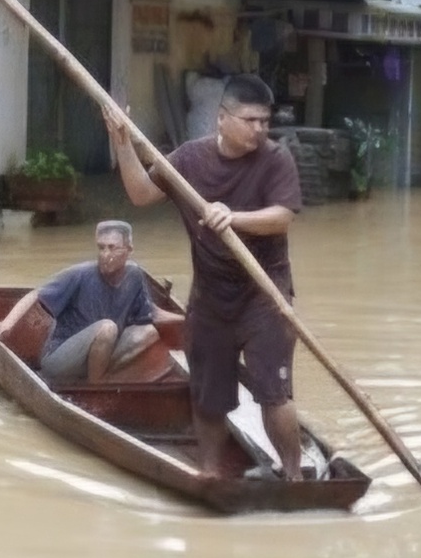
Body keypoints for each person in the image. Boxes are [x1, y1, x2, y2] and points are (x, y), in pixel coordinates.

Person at [103, 73, 309, 481]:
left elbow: (282, 217)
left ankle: (294, 475)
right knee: (209, 397)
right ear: (222, 118)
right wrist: (122, 142)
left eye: (265, 122)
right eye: (250, 120)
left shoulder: (275, 159)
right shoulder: (188, 160)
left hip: (265, 295)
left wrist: (234, 218)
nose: (260, 130)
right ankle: (212, 475)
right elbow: (141, 194)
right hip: (212, 299)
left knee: (274, 393)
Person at [0, 220, 162, 383]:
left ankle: (105, 374)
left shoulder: (135, 276)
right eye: (101, 248)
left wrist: (186, 320)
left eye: (112, 248)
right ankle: (96, 389)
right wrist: (6, 325)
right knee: (107, 328)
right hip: (59, 358)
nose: (105, 254)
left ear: (128, 250)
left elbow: (148, 315)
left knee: (150, 331)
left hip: (101, 352)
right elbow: (35, 295)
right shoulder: (80, 274)